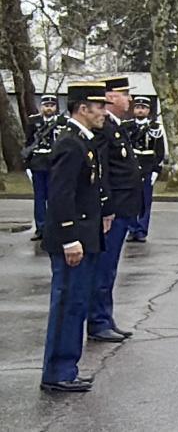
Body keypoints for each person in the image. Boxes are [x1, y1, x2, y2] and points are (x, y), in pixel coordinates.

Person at [40, 82, 109, 393]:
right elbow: (61, 196)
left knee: (77, 303)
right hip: (73, 238)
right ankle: (57, 372)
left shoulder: (84, 141)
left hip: (85, 236)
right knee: (67, 304)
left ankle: (67, 367)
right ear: (83, 108)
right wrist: (70, 238)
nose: (104, 113)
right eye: (100, 107)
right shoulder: (71, 144)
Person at [87, 77, 142, 344]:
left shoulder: (115, 126)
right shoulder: (103, 128)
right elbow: (102, 172)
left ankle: (105, 318)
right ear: (110, 97)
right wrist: (106, 207)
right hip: (113, 210)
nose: (129, 100)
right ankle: (98, 321)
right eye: (124, 95)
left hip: (123, 208)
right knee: (104, 268)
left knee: (109, 268)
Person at [24, 94, 65, 241]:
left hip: (53, 164)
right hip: (37, 163)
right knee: (39, 198)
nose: (49, 108)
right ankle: (41, 228)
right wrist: (27, 165)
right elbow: (28, 143)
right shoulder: (34, 121)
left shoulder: (61, 122)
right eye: (46, 105)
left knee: (54, 197)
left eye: (52, 105)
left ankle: (54, 227)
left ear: (55, 107)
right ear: (41, 107)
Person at [126, 96, 166, 243]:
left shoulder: (155, 127)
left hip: (148, 167)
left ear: (148, 110)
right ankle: (132, 229)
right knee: (131, 201)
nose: (140, 110)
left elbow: (159, 151)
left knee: (145, 201)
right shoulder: (127, 126)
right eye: (137, 107)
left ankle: (142, 230)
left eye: (143, 108)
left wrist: (156, 170)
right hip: (131, 168)